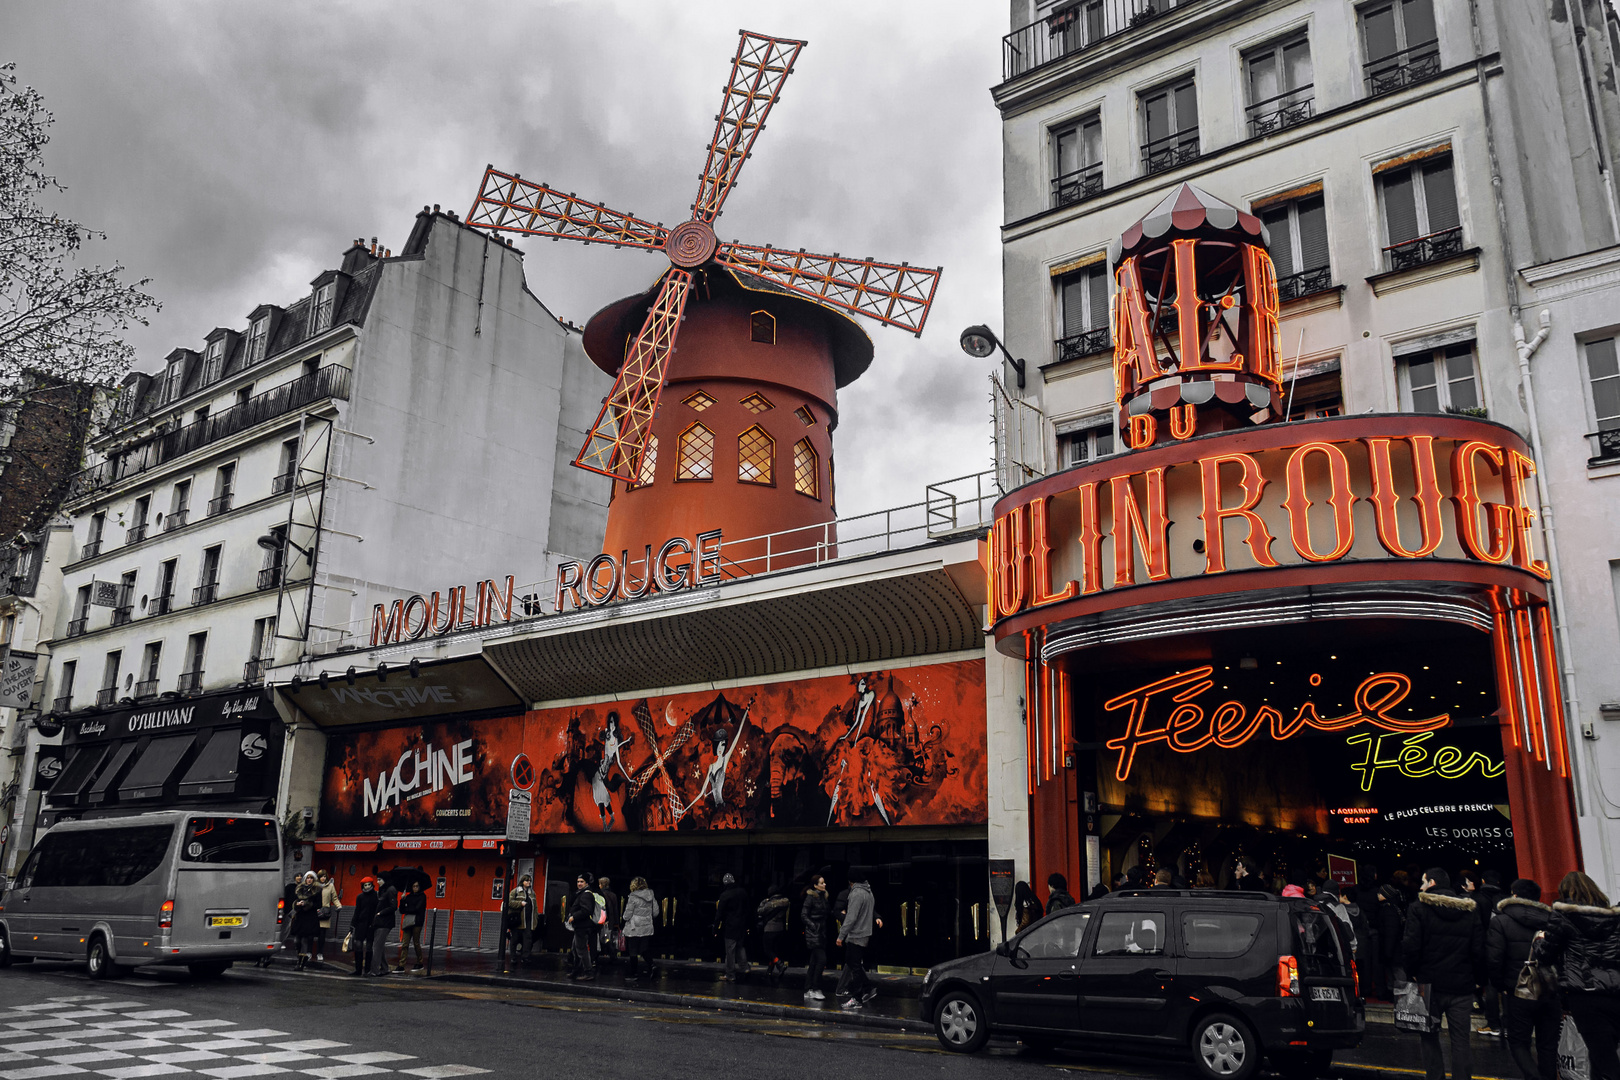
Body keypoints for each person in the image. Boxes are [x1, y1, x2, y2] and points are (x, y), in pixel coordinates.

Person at [1538, 872, 1620, 1080]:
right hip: (1615, 991)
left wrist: (1540, 941)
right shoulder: (1614, 919)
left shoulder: (1563, 916)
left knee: (1605, 1059)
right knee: (1601, 1054)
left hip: (1584, 993)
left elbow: (1546, 955)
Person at [1402, 867, 1482, 1080]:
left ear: (1432, 884)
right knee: (1461, 1041)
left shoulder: (1418, 908)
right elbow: (1478, 949)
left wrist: (1412, 974)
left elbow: (1411, 946)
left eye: (1423, 882)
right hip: (1461, 984)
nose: (1421, 886)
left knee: (1428, 1037)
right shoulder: (1469, 910)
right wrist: (1479, 980)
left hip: (1428, 983)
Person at [1487, 878, 1557, 1080]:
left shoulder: (1500, 921)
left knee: (1518, 1041)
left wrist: (1502, 985)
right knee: (1548, 1044)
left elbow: (1494, 958)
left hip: (1518, 990)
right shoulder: (1553, 920)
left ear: (1514, 895)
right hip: (1550, 989)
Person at [836, 866, 882, 1009]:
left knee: (854, 966)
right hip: (865, 933)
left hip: (855, 934)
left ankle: (856, 998)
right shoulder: (869, 893)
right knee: (853, 963)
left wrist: (841, 936)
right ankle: (868, 988)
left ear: (851, 881)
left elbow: (851, 918)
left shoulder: (856, 894)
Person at [1470, 871, 1507, 1037]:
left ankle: (1493, 1023)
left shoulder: (1478, 899)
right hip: (1505, 946)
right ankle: (1508, 1023)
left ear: (1483, 881)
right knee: (1506, 987)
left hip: (1487, 946)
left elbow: (1476, 928)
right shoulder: (1505, 899)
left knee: (1491, 987)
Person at [716, 872, 751, 982]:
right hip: (741, 926)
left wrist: (715, 928)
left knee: (730, 951)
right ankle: (744, 967)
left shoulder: (725, 895)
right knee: (740, 947)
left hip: (730, 927)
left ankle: (730, 974)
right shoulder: (742, 892)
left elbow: (719, 914)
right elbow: (748, 910)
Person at [1378, 879, 1410, 997]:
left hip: (1393, 947)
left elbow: (1391, 931)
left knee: (1396, 970)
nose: (1378, 895)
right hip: (1394, 946)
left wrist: (1388, 950)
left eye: (1380, 893)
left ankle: (1401, 993)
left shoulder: (1389, 910)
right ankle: (1396, 993)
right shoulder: (1395, 908)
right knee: (1394, 970)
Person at [500, 874, 538, 973]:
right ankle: (513, 957)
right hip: (517, 921)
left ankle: (525, 957)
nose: (528, 882)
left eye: (530, 881)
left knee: (528, 940)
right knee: (514, 939)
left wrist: (536, 919)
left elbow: (535, 907)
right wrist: (520, 904)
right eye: (526, 881)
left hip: (528, 921)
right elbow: (508, 902)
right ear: (522, 881)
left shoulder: (532, 893)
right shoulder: (516, 891)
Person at [622, 876, 657, 981]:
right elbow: (656, 912)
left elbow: (627, 915)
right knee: (643, 949)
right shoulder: (651, 895)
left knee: (633, 951)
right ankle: (652, 965)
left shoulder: (633, 897)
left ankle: (634, 973)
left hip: (634, 927)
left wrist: (624, 918)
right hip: (646, 927)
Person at [801, 874, 830, 1001]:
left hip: (821, 932)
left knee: (813, 962)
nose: (824, 885)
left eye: (824, 882)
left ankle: (808, 989)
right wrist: (813, 926)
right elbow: (803, 915)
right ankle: (815, 988)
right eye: (822, 883)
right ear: (815, 885)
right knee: (821, 960)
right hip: (814, 933)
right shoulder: (810, 897)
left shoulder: (824, 897)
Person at [566, 872, 598, 981]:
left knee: (581, 950)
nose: (579, 884)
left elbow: (586, 910)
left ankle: (588, 972)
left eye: (581, 882)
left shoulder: (586, 894)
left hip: (582, 926)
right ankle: (576, 971)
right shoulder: (582, 893)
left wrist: (573, 917)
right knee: (575, 949)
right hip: (580, 926)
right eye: (578, 881)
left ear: (586, 883)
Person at [757, 883, 792, 982]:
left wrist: (764, 901)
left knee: (767, 950)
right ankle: (769, 970)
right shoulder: (785, 902)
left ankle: (780, 964)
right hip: (780, 929)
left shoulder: (769, 903)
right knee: (773, 950)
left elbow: (760, 911)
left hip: (769, 929)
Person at [369, 876, 399, 976]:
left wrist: (380, 913)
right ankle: (385, 968)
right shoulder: (383, 890)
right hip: (380, 922)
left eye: (379, 880)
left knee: (376, 946)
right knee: (379, 946)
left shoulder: (391, 890)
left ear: (385, 880)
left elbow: (393, 906)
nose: (377, 882)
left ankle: (374, 970)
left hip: (385, 922)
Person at [291, 871, 321, 970]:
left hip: (309, 917)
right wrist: (297, 904)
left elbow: (318, 904)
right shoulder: (299, 889)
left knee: (304, 940)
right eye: (308, 878)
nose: (309, 880)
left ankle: (300, 963)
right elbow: (294, 901)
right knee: (296, 940)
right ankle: (298, 957)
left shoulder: (317, 890)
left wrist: (307, 904)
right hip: (300, 916)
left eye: (311, 878)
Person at [396, 879, 427, 974]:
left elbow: (417, 909)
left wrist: (407, 907)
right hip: (408, 922)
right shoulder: (408, 897)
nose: (415, 888)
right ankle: (401, 965)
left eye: (417, 886)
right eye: (413, 886)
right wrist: (402, 900)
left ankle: (420, 962)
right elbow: (402, 910)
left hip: (417, 922)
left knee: (416, 942)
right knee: (405, 943)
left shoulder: (422, 896)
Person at [350, 878, 378, 977]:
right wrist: (352, 924)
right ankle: (358, 969)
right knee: (358, 945)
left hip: (371, 924)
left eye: (369, 885)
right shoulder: (360, 897)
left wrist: (375, 922)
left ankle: (367, 969)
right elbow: (357, 911)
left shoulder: (376, 895)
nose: (367, 887)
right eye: (365, 885)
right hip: (361, 924)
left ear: (372, 885)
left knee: (369, 946)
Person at [317, 871, 340, 962]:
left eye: (324, 876)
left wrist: (338, 905)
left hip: (324, 912)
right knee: (311, 934)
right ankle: (308, 952)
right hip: (314, 911)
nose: (323, 878)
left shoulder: (330, 886)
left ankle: (320, 953)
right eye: (321, 877)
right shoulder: (315, 886)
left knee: (322, 934)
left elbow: (334, 897)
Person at [598, 876, 621, 965]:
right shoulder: (613, 895)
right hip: (610, 920)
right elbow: (615, 910)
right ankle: (613, 955)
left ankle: (598, 955)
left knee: (601, 938)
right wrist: (616, 923)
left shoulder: (599, 894)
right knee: (608, 938)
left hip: (602, 920)